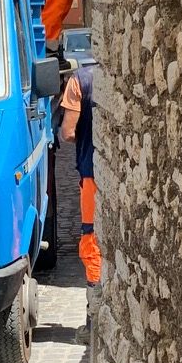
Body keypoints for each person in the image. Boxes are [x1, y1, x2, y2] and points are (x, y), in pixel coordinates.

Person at [61, 53, 101, 286]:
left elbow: (68, 132)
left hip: (91, 171)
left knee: (91, 233)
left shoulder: (79, 80)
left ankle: (95, 291)